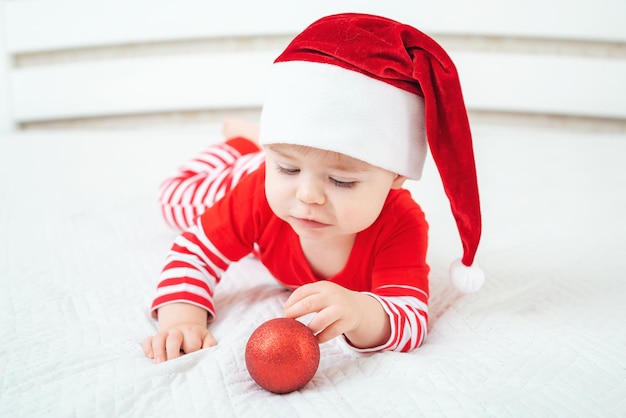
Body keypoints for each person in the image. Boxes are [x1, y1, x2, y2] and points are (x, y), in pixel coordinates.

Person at [143, 13, 484, 363]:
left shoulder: (401, 224)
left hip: (267, 174)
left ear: (397, 176)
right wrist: (182, 318)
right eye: (288, 166)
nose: (307, 195)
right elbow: (195, 250)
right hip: (241, 175)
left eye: (341, 180)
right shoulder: (260, 189)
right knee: (172, 201)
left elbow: (410, 317)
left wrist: (363, 312)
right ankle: (241, 146)